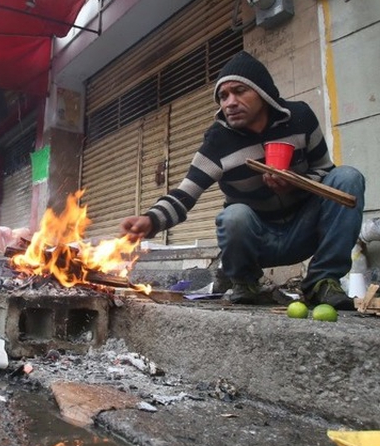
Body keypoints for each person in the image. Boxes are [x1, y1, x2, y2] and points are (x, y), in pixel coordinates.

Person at [119, 51, 364, 309]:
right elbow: (184, 194)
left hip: (304, 231)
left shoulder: (300, 118)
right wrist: (150, 220)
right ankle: (245, 283)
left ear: (263, 93)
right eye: (223, 96)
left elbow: (325, 170)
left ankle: (321, 282)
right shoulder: (217, 142)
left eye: (239, 91)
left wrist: (296, 182)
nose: (229, 103)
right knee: (234, 215)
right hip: (259, 241)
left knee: (348, 178)